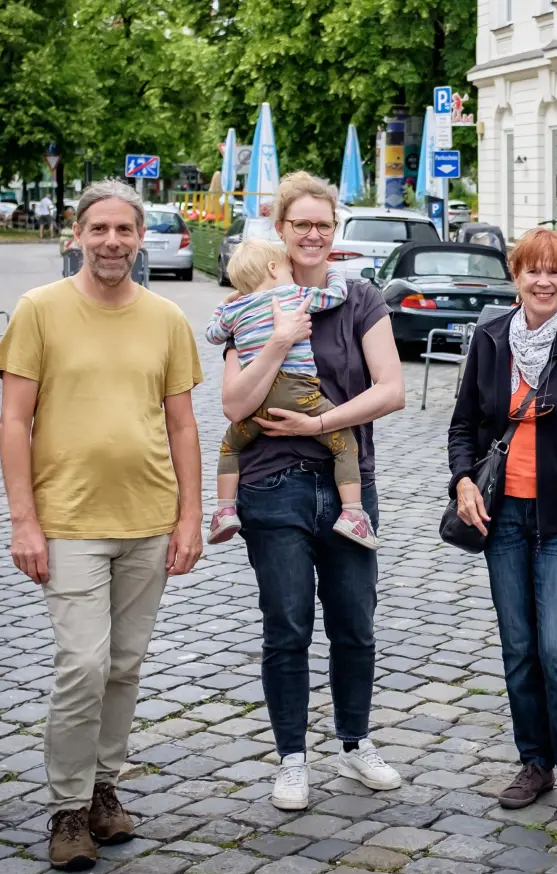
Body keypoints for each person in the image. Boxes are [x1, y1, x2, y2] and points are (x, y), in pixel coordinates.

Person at [0, 179, 204, 871]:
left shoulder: (167, 318)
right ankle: (66, 809)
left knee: (124, 666)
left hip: (148, 517)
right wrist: (24, 521)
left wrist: (190, 516)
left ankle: (105, 789)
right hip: (69, 520)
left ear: (140, 237)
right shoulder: (40, 310)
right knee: (81, 664)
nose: (112, 241)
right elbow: (14, 421)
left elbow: (182, 424)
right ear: (76, 235)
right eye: (99, 229)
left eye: (124, 230)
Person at [221, 171, 405, 811]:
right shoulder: (252, 298)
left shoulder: (358, 299)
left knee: (355, 624)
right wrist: (277, 341)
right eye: (300, 223)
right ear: (280, 228)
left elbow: (392, 389)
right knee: (288, 626)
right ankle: (292, 759)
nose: (312, 234)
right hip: (273, 486)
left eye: (322, 224)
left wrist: (320, 422)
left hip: (350, 482)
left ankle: (354, 744)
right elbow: (234, 403)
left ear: (335, 230)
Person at [447, 228, 557, 829]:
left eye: (555, 271)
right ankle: (535, 761)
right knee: (519, 646)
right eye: (532, 271)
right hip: (502, 516)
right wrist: (463, 481)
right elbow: (464, 426)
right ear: (515, 275)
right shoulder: (491, 340)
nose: (544, 281)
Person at [205, 239, 376, 549]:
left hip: (258, 405)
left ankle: (225, 509)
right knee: (344, 441)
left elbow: (212, 333)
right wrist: (334, 272)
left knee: (230, 446)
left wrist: (227, 303)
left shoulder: (235, 309)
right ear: (273, 268)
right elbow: (336, 295)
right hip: (299, 393)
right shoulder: (293, 295)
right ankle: (353, 514)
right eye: (287, 269)